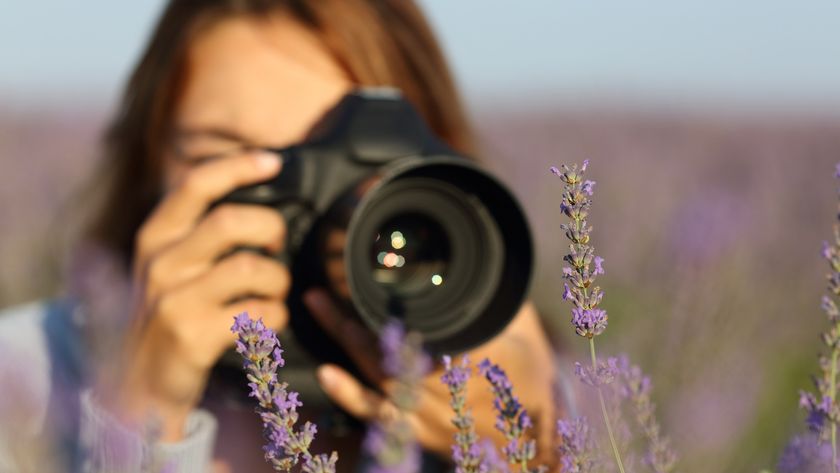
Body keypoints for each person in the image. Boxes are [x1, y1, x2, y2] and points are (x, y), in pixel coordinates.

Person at [0, 1, 559, 472]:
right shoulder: (27, 372)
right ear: (147, 163)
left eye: (348, 170)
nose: (304, 212)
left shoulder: (513, 380)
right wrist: (140, 415)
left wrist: (523, 448)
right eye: (230, 157)